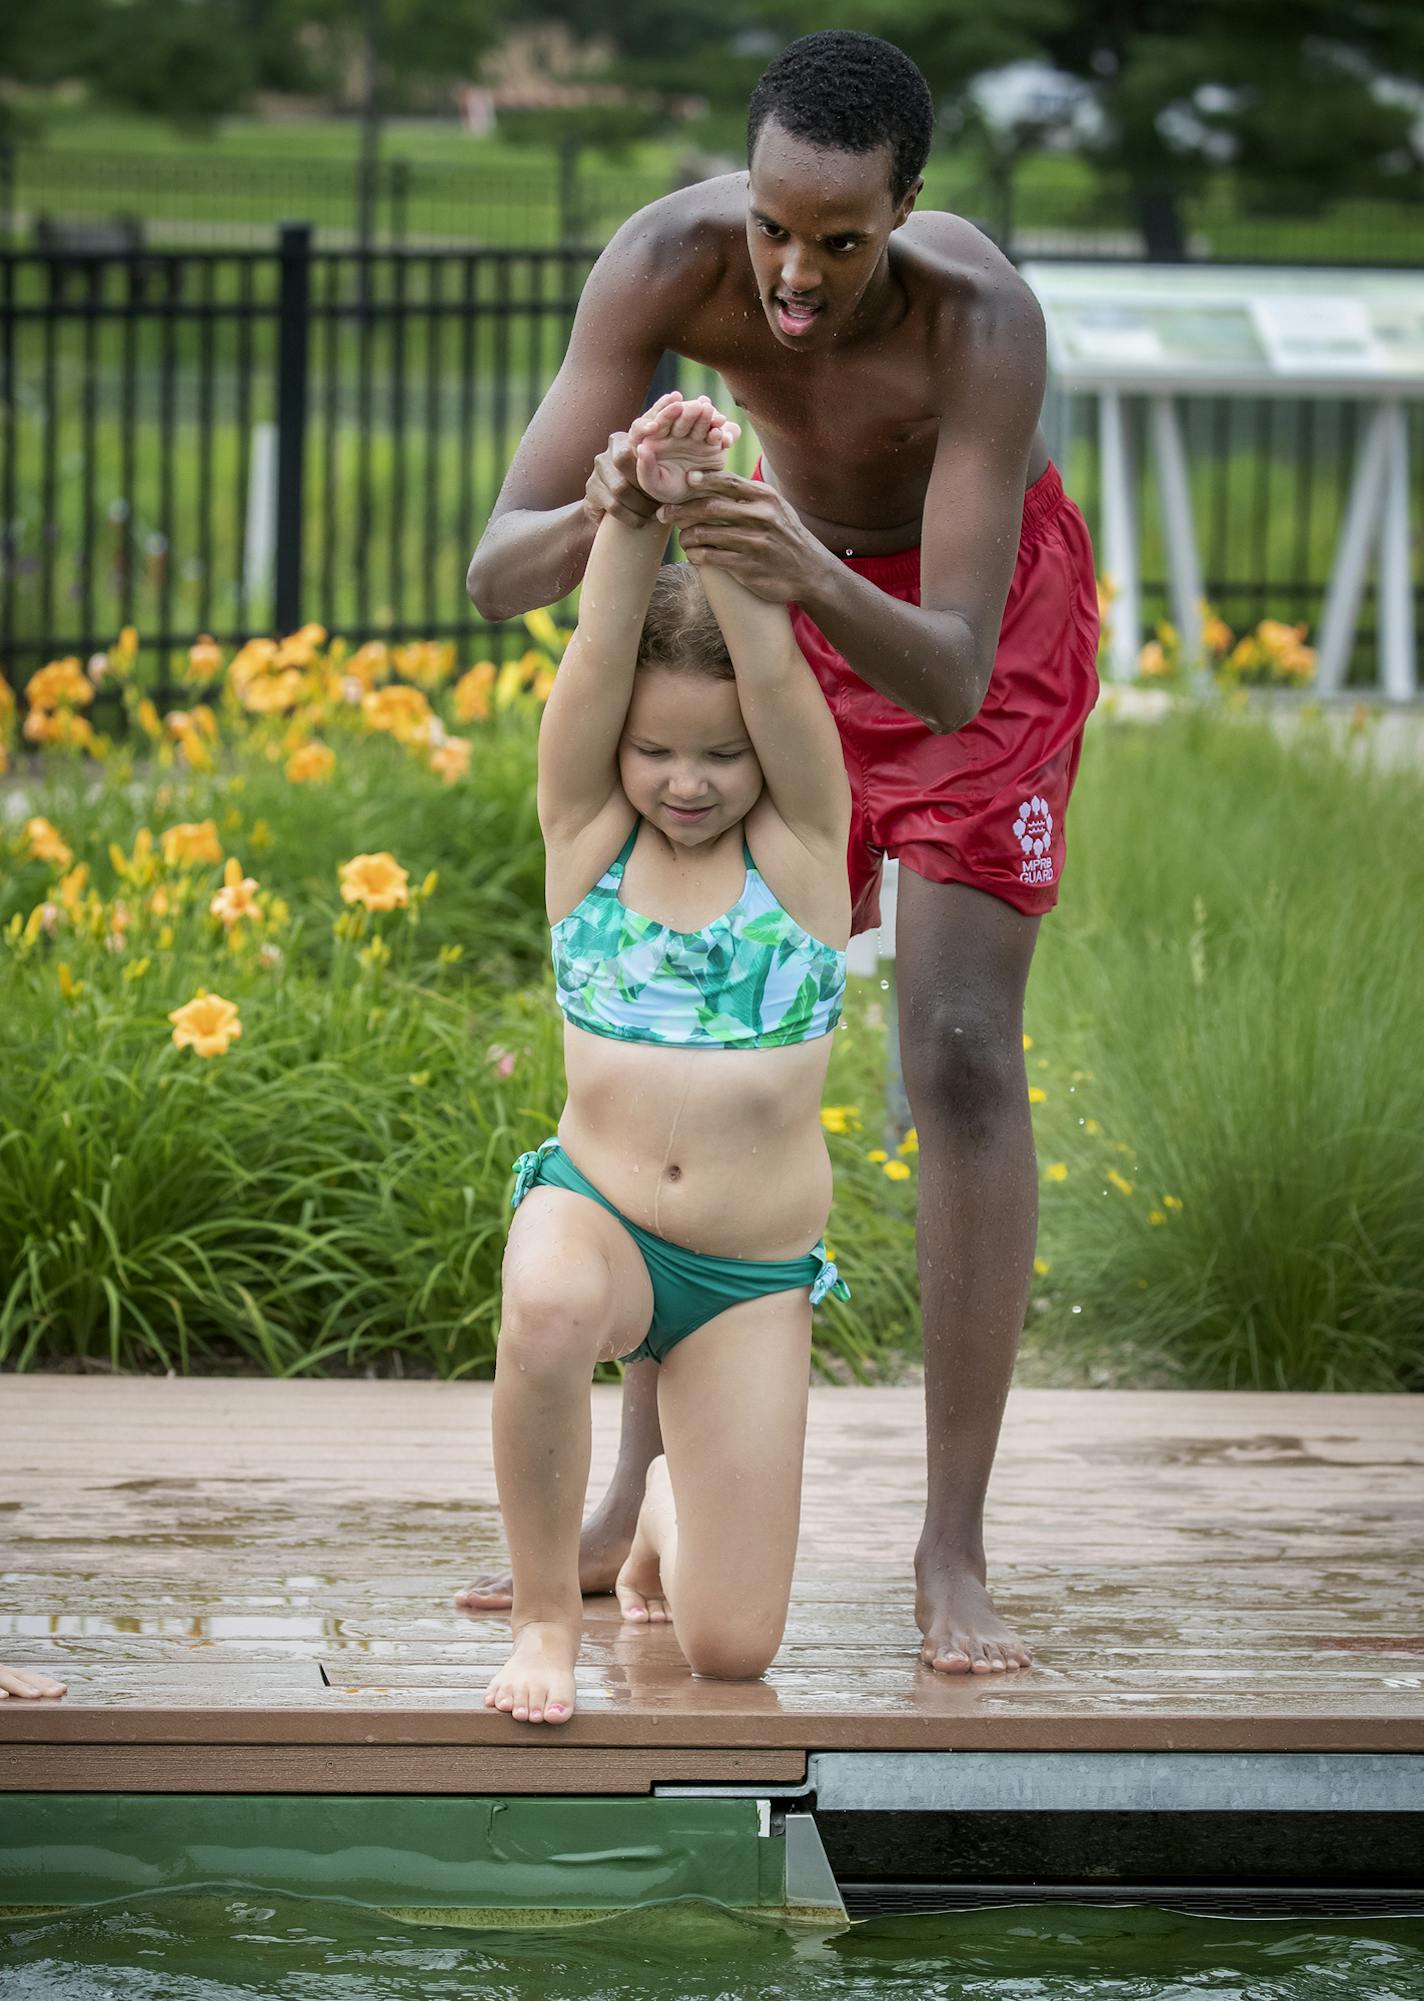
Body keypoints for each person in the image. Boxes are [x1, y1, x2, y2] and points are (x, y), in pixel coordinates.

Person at [463, 30, 1100, 1676]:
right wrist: (613, 495)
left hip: (961, 622)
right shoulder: (670, 263)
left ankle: (949, 1541)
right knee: (703, 1013)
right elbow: (496, 568)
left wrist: (799, 562)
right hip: (780, 606)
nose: (794, 276)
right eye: (773, 227)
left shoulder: (982, 320)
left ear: (908, 207)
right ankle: (625, 1497)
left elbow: (952, 665)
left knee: (957, 1046)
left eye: (840, 238)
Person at [482, 391, 852, 1726]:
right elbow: (592, 655)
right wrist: (634, 506)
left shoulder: (803, 860)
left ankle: (659, 1530)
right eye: (655, 751)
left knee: (732, 1646)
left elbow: (778, 678)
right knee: (545, 1308)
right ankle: (543, 1618)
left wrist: (715, 499)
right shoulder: (590, 840)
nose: (686, 780)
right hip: (602, 1214)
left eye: (719, 755)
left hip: (749, 1275)